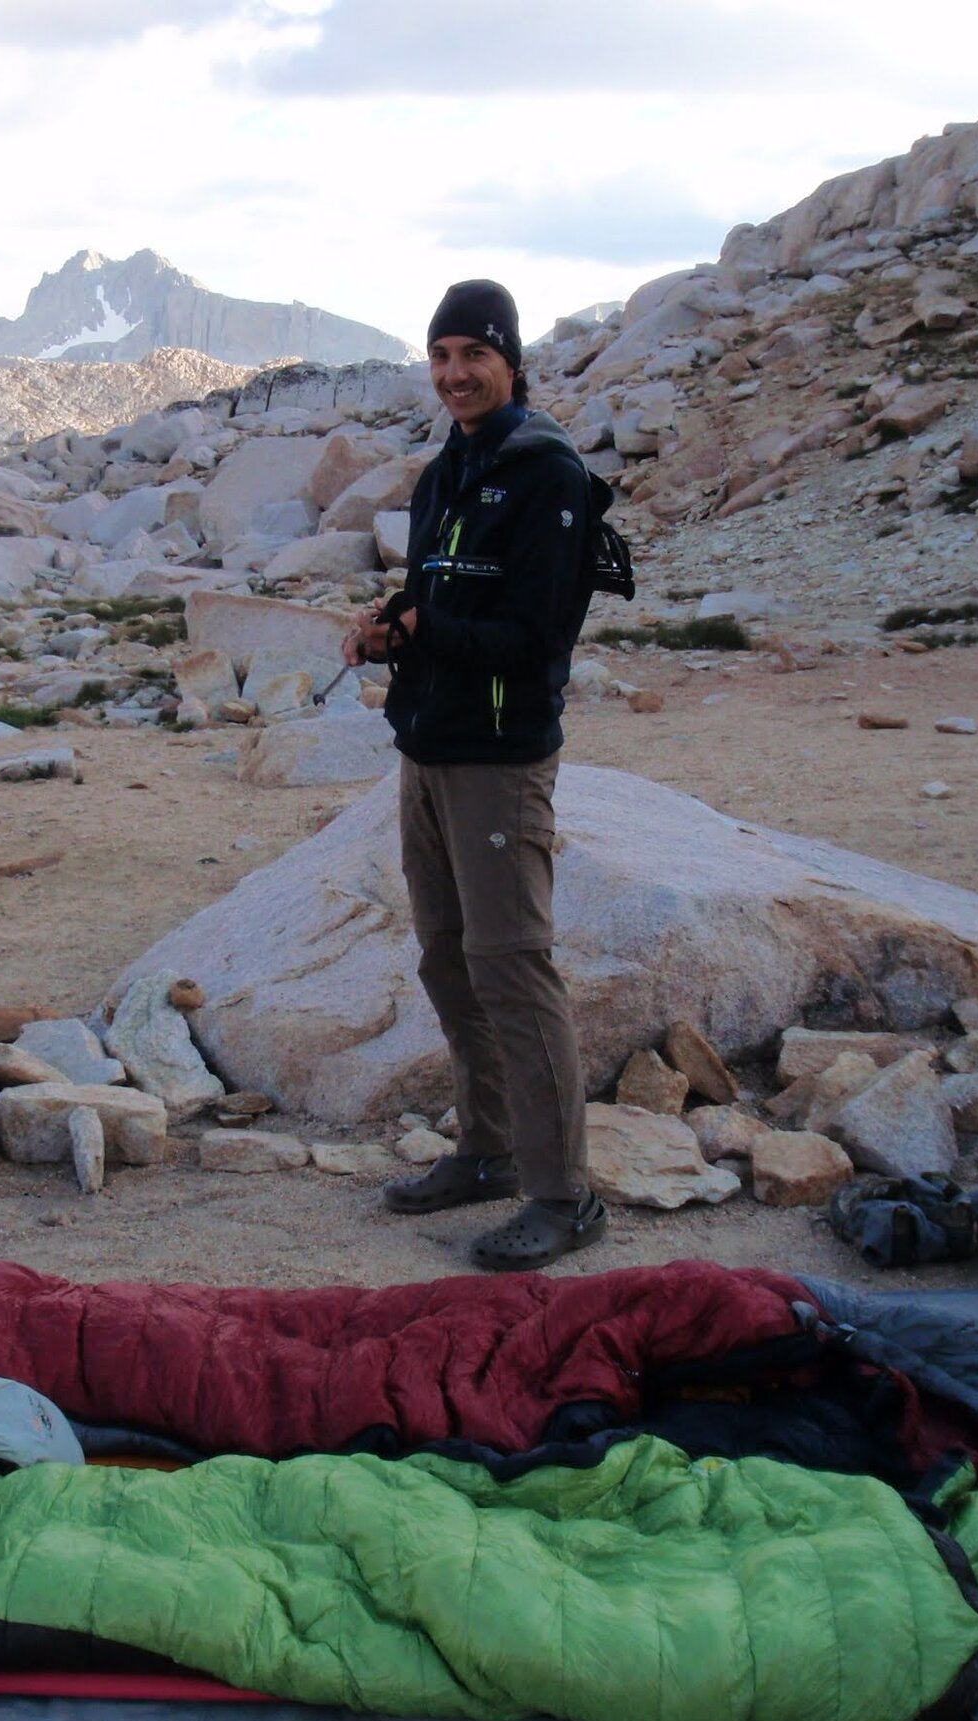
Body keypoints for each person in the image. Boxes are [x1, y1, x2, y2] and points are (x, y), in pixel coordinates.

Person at [342, 279, 606, 1270]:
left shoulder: (547, 476)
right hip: (430, 745)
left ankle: (563, 1195)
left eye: (472, 356)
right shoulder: (448, 469)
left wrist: (425, 628)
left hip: (499, 758)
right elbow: (436, 589)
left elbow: (536, 634)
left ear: (510, 362)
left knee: (512, 965)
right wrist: (387, 628)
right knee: (449, 959)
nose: (454, 375)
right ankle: (487, 1151)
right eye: (441, 356)